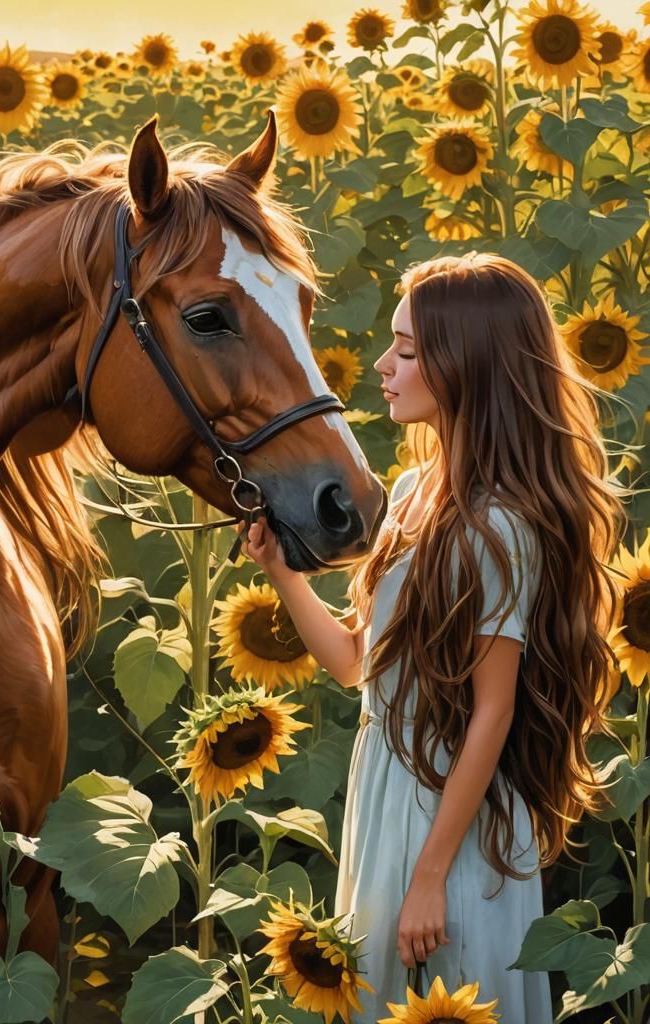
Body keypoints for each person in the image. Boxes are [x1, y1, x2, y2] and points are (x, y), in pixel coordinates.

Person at [236, 252, 629, 1022]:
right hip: (386, 788)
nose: (383, 365)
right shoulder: (414, 494)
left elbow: (494, 710)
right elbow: (357, 666)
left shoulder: (499, 525)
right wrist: (284, 574)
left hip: (452, 815)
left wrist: (429, 875)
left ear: (467, 367)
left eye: (409, 351)